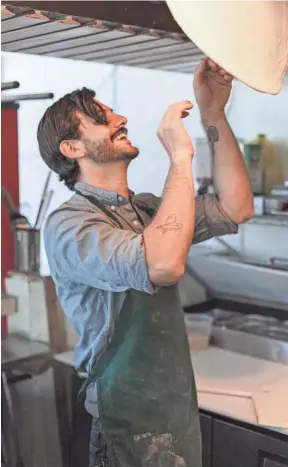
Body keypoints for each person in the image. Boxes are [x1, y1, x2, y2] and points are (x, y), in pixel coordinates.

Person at [38, 58, 254, 467]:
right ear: (72, 148)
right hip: (125, 423)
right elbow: (163, 264)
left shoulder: (148, 209)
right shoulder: (70, 223)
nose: (120, 118)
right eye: (101, 118)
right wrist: (179, 159)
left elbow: (236, 206)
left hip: (177, 412)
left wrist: (213, 112)